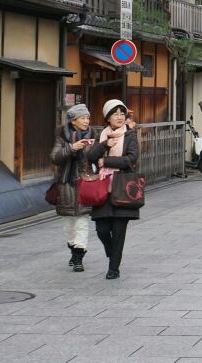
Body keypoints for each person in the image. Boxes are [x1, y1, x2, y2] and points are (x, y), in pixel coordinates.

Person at [84, 99, 139, 280]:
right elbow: (91, 156)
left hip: (122, 186)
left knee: (119, 230)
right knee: (101, 229)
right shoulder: (102, 135)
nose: (120, 117)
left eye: (122, 113)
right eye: (115, 114)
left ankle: (113, 268)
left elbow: (131, 159)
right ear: (107, 117)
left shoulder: (130, 135)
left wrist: (105, 161)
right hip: (102, 187)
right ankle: (111, 250)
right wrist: (104, 146)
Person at [50, 103, 95, 272]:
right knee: (69, 225)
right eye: (83, 117)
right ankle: (73, 249)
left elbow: (97, 157)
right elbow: (54, 157)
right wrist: (71, 148)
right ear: (73, 121)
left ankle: (78, 258)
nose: (86, 120)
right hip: (66, 185)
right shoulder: (62, 137)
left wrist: (94, 149)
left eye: (88, 117)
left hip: (85, 184)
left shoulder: (93, 135)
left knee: (82, 223)